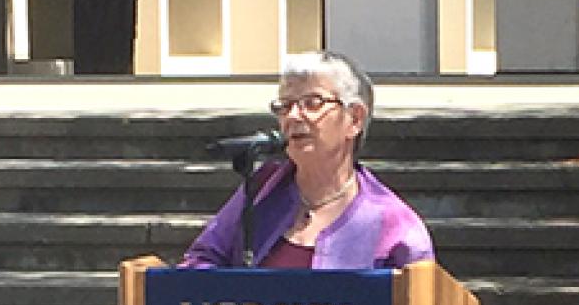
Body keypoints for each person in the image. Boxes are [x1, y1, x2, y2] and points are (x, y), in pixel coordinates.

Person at [181, 50, 434, 269]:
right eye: (284, 106)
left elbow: (422, 299)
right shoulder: (263, 188)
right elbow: (201, 261)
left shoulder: (394, 224)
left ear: (355, 119)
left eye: (312, 103)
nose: (293, 116)